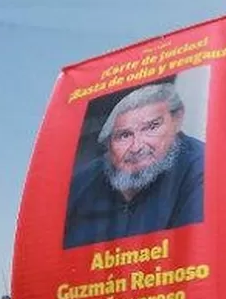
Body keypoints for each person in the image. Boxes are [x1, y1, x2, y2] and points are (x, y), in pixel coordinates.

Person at [63, 83, 204, 248]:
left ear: (176, 121)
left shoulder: (203, 168)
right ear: (108, 145)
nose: (137, 147)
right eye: (124, 135)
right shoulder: (79, 184)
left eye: (151, 127)